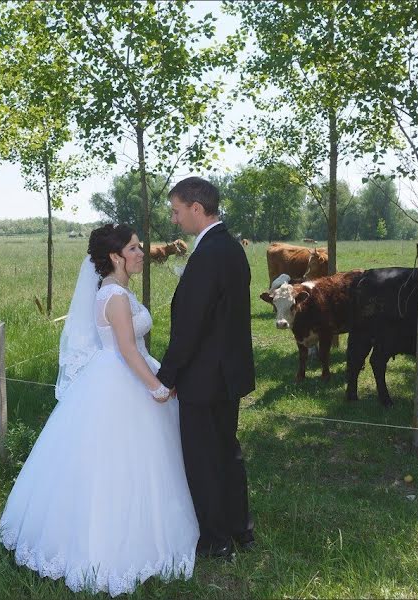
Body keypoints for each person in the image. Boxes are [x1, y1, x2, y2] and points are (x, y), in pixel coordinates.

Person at [0, 224, 199, 597]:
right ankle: (109, 548)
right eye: (135, 248)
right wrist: (156, 387)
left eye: (139, 247)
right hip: (121, 378)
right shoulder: (116, 297)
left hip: (117, 375)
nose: (142, 253)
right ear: (115, 257)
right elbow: (126, 349)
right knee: (118, 463)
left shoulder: (116, 290)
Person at [157, 177, 256, 559]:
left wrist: (168, 376)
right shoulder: (230, 247)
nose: (175, 219)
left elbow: (192, 324)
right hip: (227, 372)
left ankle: (215, 541)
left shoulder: (209, 253)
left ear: (197, 209)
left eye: (177, 211)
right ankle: (240, 529)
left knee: (203, 459)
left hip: (203, 376)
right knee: (227, 451)